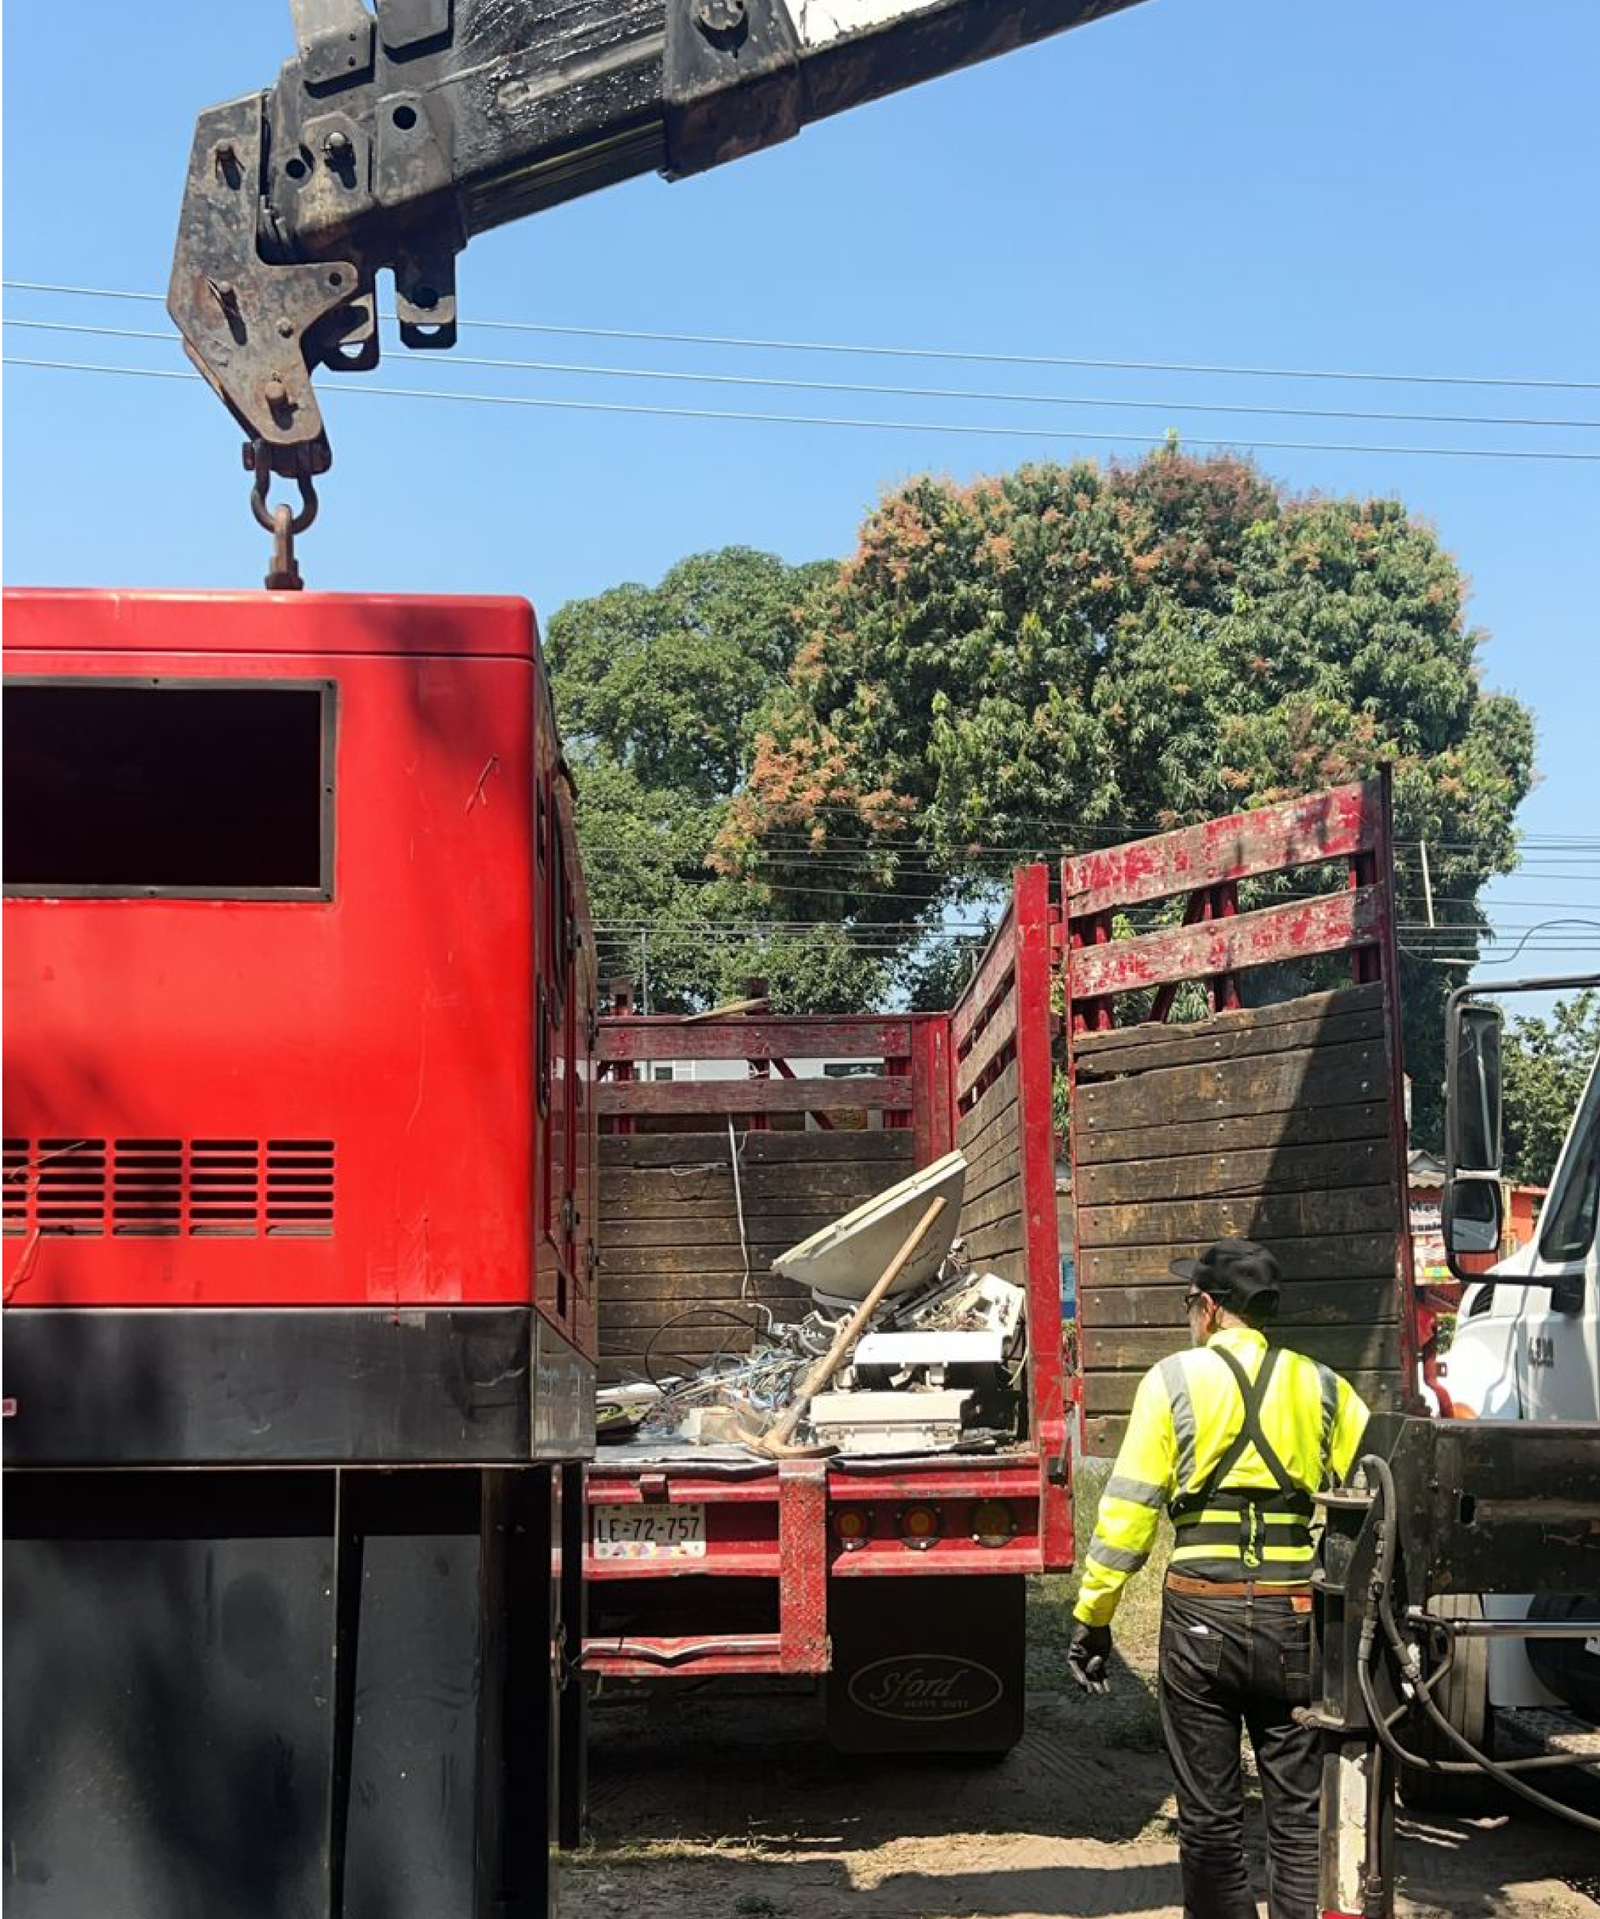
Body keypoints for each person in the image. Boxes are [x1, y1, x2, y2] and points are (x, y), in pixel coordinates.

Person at [1066, 1239, 1368, 1919]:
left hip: (1202, 1616)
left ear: (1206, 1307)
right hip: (1295, 1617)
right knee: (1296, 1815)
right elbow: (1372, 1491)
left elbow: (1127, 1518)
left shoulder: (1172, 1380)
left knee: (1209, 1819)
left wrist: (1095, 1616)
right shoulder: (1324, 1387)